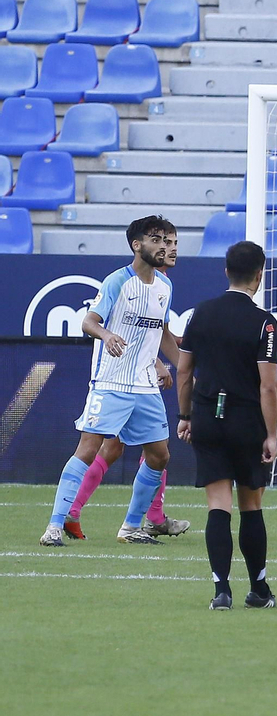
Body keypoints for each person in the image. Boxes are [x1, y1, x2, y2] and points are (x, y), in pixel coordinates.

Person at [40, 216, 182, 547]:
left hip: (145, 386)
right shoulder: (118, 281)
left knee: (159, 455)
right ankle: (54, 526)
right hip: (111, 383)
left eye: (166, 240)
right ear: (137, 245)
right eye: (156, 240)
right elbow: (89, 321)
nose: (163, 246)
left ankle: (131, 527)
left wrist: (181, 368)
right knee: (89, 449)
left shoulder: (165, 286)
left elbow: (160, 333)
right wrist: (106, 335)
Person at [176, 241, 277, 610]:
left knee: (217, 504)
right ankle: (259, 590)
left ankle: (221, 590)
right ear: (259, 274)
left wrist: (186, 416)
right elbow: (268, 385)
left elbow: (184, 371)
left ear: (226, 272)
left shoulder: (200, 313)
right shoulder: (265, 322)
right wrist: (271, 434)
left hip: (208, 417)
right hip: (246, 420)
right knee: (251, 504)